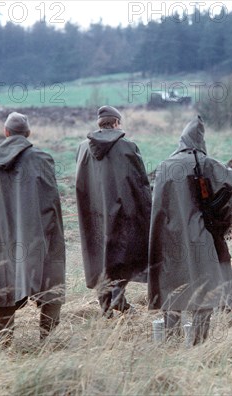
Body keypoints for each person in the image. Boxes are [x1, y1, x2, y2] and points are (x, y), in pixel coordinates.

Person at [0, 112, 65, 346]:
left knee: (2, 283)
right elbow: (52, 203)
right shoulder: (42, 160)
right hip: (38, 238)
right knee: (50, 284)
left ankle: (4, 341)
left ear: (6, 132)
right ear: (28, 134)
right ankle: (48, 339)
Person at [148, 115, 232, 345]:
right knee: (205, 293)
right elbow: (229, 187)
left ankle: (170, 340)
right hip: (201, 237)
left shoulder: (164, 166)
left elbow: (156, 209)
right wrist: (220, 226)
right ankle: (198, 343)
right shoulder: (207, 163)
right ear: (200, 139)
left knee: (172, 290)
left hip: (169, 239)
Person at [76, 105, 151, 317]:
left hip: (93, 214)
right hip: (123, 212)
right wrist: (146, 210)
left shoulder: (83, 148)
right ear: (116, 123)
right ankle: (118, 297)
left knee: (100, 257)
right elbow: (140, 184)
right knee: (123, 255)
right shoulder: (128, 147)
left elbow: (80, 183)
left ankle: (107, 306)